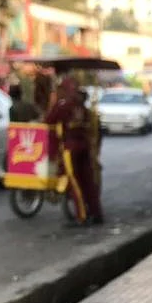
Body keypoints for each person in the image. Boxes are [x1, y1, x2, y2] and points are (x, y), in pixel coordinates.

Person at [45, 77, 104, 226]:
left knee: (74, 182)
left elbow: (49, 120)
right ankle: (96, 213)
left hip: (71, 148)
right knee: (88, 182)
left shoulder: (64, 105)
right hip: (85, 147)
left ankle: (81, 215)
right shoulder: (84, 108)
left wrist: (54, 102)